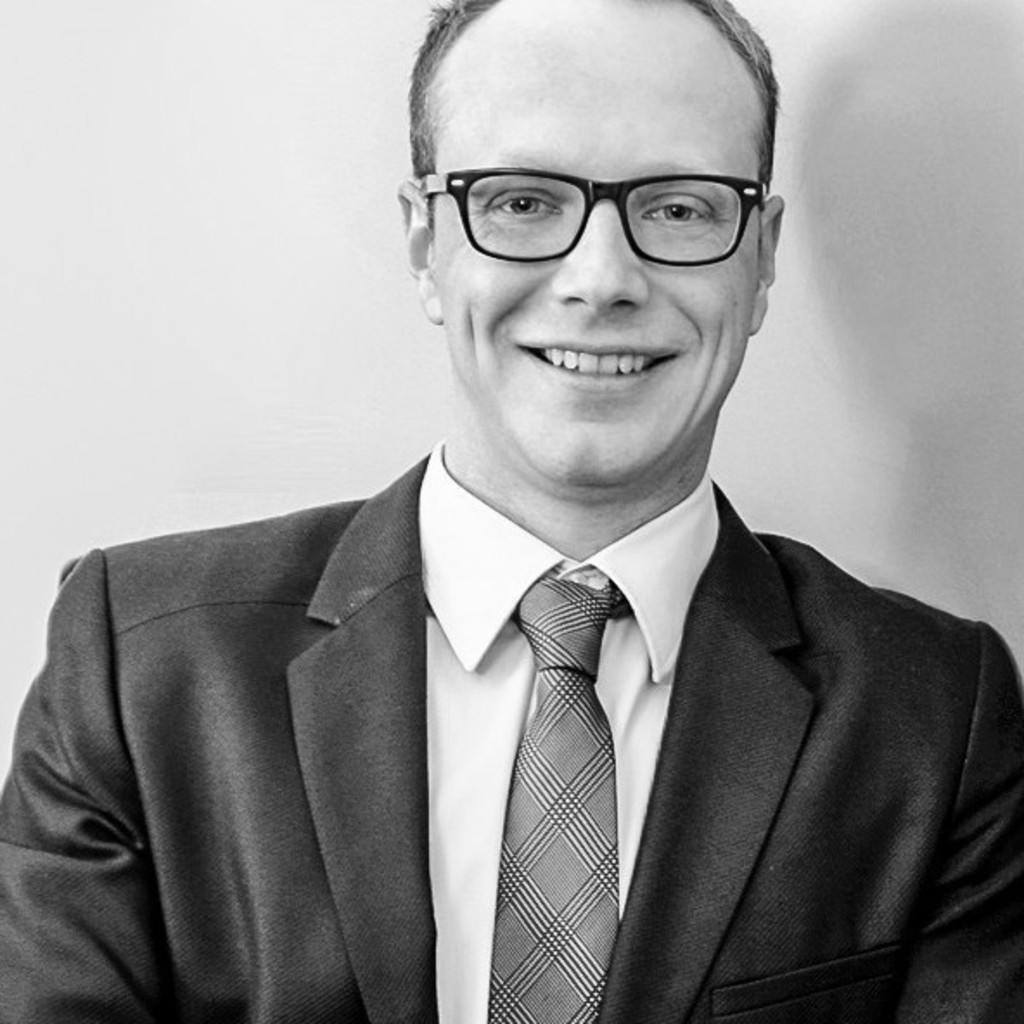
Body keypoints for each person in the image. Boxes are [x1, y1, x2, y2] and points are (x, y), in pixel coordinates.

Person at [1, 0, 1022, 1020]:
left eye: (679, 208)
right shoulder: (140, 667)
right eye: (523, 201)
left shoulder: (938, 719)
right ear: (424, 243)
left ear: (758, 259)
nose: (601, 280)